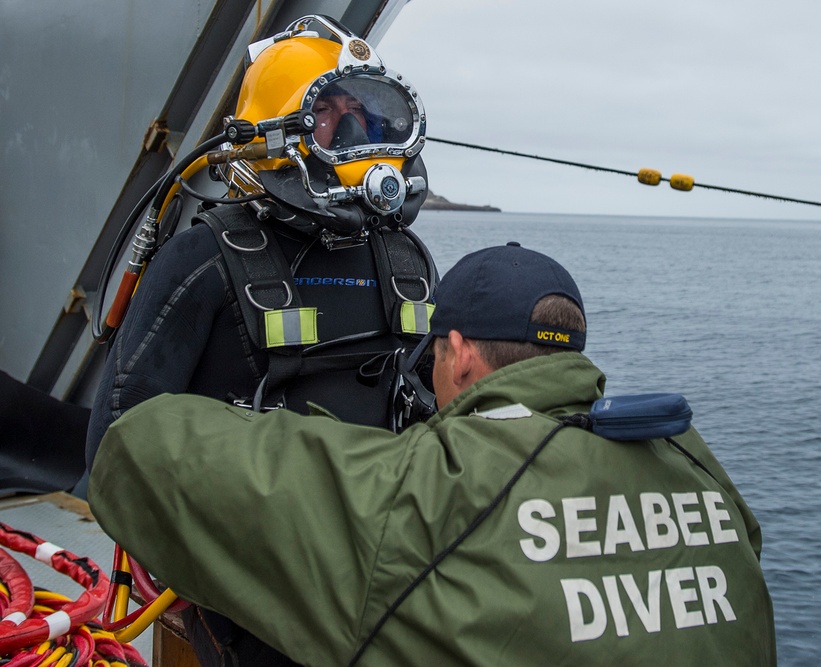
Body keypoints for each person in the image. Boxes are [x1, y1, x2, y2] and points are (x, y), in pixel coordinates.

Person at [89, 242, 777, 666]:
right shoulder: (694, 464)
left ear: (462, 353)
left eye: (435, 357)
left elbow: (140, 441)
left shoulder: (417, 496)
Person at [86, 16, 437, 667]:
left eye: (367, 116)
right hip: (243, 578)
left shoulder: (404, 263)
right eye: (333, 114)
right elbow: (116, 445)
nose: (357, 131)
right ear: (279, 130)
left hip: (374, 564)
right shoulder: (205, 261)